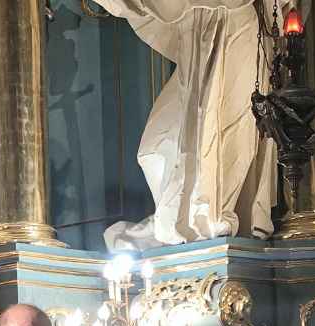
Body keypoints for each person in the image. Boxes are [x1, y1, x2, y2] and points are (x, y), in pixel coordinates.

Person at [97, 0, 299, 250]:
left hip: (234, 25)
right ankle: (194, 216)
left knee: (226, 126)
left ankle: (209, 217)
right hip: (199, 27)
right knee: (157, 146)